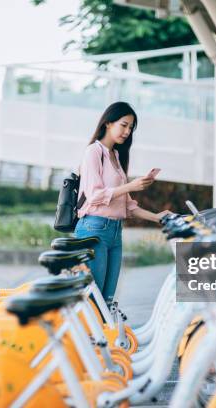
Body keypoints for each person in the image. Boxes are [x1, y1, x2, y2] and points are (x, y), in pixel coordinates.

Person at [74, 101, 172, 307]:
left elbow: (127, 206)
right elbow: (94, 196)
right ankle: (89, 338)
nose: (127, 131)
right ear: (108, 123)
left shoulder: (117, 156)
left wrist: (157, 217)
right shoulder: (93, 152)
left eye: (131, 128)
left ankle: (103, 338)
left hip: (114, 233)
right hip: (93, 229)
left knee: (108, 299)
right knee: (95, 300)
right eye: (124, 124)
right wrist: (131, 186)